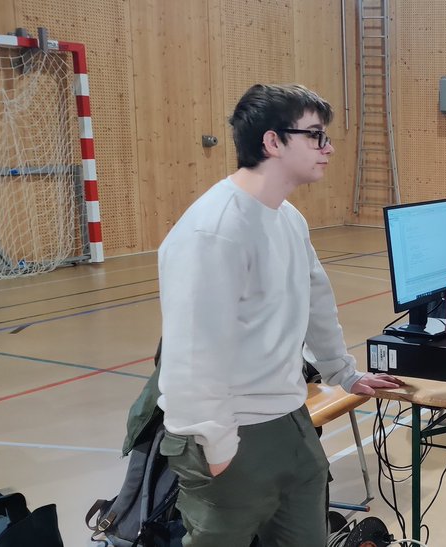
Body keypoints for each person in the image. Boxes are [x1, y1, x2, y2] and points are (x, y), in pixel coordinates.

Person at [156, 83, 403, 546]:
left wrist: (344, 374)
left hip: (289, 420)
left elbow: (317, 303)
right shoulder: (212, 231)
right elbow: (190, 355)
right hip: (229, 432)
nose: (328, 148)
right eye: (315, 135)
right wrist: (216, 444)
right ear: (273, 141)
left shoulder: (288, 218)